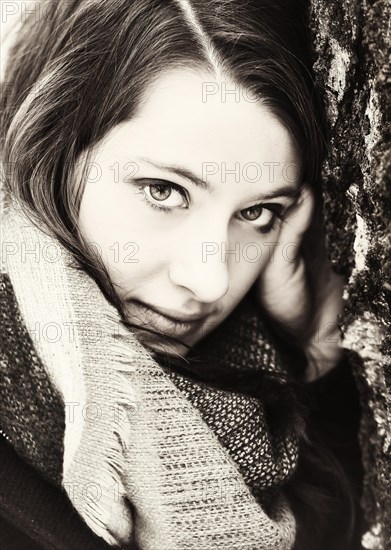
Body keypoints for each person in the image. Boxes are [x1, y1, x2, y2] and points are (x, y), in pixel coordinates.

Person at [0, 0, 365, 549]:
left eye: (257, 213)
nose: (210, 280)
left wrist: (313, 362)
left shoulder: (264, 416)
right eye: (164, 191)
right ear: (49, 154)